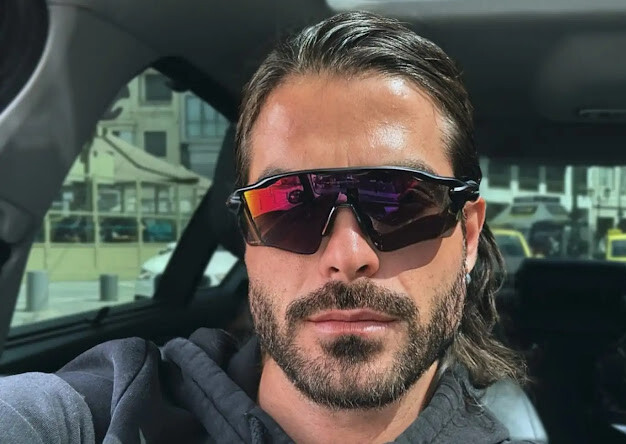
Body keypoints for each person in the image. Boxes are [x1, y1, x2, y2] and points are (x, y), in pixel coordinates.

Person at [0, 11, 530, 444]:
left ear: (467, 236)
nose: (347, 255)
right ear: (247, 238)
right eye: (290, 206)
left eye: (402, 203)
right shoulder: (101, 416)